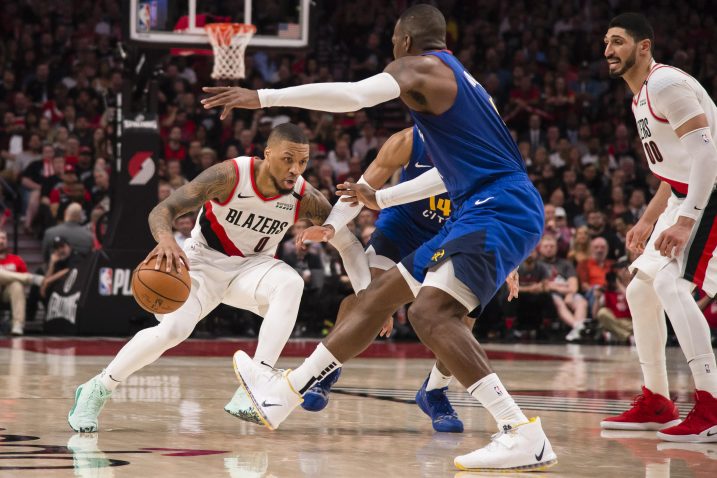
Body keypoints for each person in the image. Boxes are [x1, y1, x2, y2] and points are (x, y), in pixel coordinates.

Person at [201, 5, 556, 471]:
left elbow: (353, 96)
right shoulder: (459, 84)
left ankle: (520, 432)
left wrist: (263, 97)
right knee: (377, 298)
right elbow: (451, 175)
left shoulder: (419, 67)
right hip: (482, 203)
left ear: (406, 41)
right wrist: (381, 199)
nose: (391, 48)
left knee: (431, 313)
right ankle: (283, 395)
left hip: (498, 205)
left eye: (393, 39)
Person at [67, 123, 370, 433]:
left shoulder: (304, 197)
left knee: (291, 282)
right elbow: (164, 209)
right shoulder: (230, 175)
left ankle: (256, 382)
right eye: (287, 159)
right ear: (267, 155)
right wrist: (167, 239)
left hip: (252, 268)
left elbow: (348, 243)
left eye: (302, 162)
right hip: (202, 263)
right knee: (173, 330)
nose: (295, 169)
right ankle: (98, 388)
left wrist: (367, 294)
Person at [300, 126, 474, 434]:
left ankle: (434, 391)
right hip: (401, 228)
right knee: (368, 300)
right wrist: (330, 227)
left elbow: (495, 202)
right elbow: (361, 190)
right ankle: (328, 367)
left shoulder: (479, 144)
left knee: (463, 316)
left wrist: (507, 264)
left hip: (451, 234)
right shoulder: (407, 141)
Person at [599, 13, 717, 443]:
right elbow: (678, 169)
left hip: (711, 193)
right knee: (639, 290)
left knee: (671, 286)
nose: (608, 50)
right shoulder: (641, 96)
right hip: (688, 194)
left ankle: (711, 407)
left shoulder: (666, 85)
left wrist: (686, 221)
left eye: (617, 42)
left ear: (644, 46)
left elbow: (707, 158)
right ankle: (657, 402)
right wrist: (650, 217)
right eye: (605, 43)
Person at [0, 230, 44, 336]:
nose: (1, 241)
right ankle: (31, 278)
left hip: (8, 293)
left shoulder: (16, 260)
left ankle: (18, 325)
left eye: (3, 238)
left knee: (17, 285)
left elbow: (23, 286)